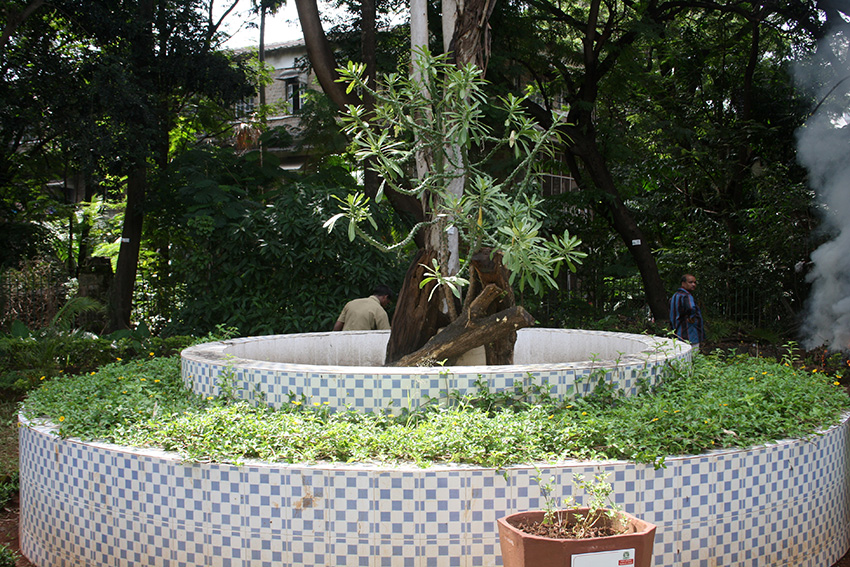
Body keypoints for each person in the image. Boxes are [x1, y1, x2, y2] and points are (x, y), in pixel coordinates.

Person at [669, 274, 705, 349]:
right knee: (693, 353)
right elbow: (691, 308)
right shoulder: (686, 296)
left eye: (694, 282)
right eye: (690, 282)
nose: (693, 285)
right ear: (683, 283)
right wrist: (692, 317)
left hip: (677, 333)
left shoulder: (674, 296)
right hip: (689, 333)